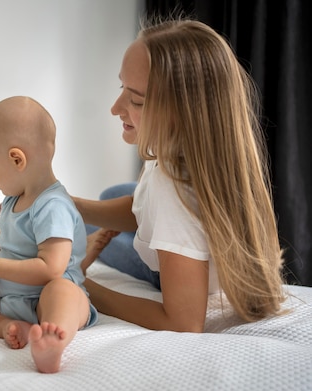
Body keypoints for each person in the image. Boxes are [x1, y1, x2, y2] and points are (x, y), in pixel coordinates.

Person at [75, 17, 285, 332]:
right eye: (123, 88)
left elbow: (184, 322)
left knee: (89, 223)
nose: (115, 107)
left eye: (135, 100)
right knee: (109, 196)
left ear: (182, 114)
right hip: (196, 243)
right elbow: (144, 207)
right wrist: (71, 202)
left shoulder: (171, 188)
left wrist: (79, 284)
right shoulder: (193, 150)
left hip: (178, 270)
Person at [0, 96, 98, 374]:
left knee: (63, 291)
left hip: (50, 299)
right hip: (11, 302)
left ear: (16, 159)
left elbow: (52, 269)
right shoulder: (11, 201)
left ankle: (54, 340)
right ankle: (10, 327)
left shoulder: (53, 206)